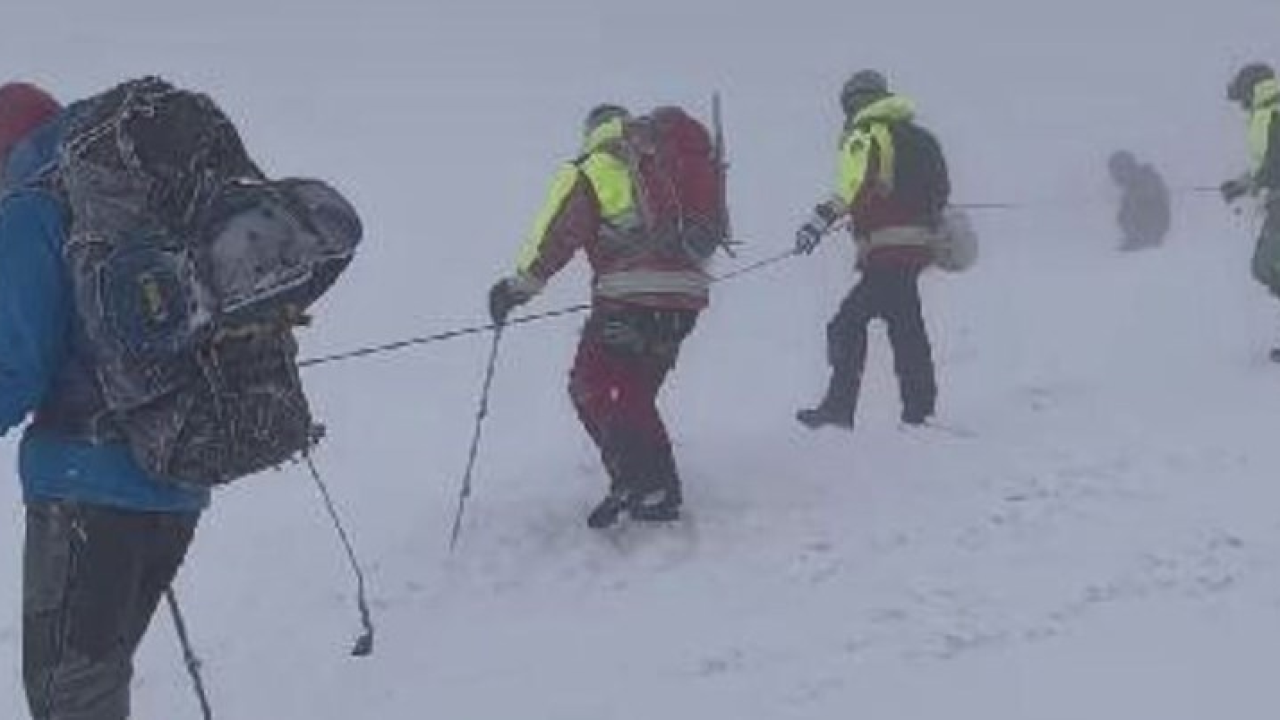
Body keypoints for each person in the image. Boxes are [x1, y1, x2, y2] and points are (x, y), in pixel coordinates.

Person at [0, 81, 207, 719]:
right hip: (175, 481)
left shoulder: (32, 209)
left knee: (70, 700)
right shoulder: (140, 204)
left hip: (84, 488)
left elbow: (16, 365)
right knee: (91, 690)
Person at [489, 103, 718, 528]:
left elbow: (559, 234)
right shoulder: (665, 164)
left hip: (628, 298)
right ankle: (647, 483)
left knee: (589, 386)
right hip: (686, 300)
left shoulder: (594, 166)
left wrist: (517, 288)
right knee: (633, 393)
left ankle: (644, 482)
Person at [793, 70, 950, 430]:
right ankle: (919, 410)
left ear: (853, 102)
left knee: (846, 325)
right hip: (917, 245)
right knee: (906, 326)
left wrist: (816, 225)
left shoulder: (865, 134)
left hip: (884, 247)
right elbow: (941, 190)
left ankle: (839, 407)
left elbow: (850, 188)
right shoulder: (921, 137)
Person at [1222, 63, 1280, 314]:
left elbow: (1276, 166)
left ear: (1252, 90)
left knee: (1265, 265)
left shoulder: (1274, 113)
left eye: (1241, 97)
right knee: (1266, 266)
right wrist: (1241, 184)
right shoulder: (1265, 113)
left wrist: (1251, 185)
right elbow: (1267, 164)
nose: (1240, 105)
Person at [1108, 150, 1170, 251]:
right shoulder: (1132, 188)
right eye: (1114, 173)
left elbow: (1155, 211)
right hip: (1140, 241)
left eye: (1119, 171)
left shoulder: (1145, 183)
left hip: (1148, 241)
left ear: (1130, 168)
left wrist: (1144, 238)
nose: (1116, 177)